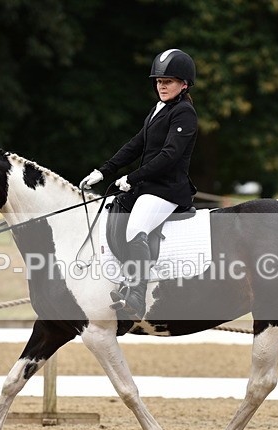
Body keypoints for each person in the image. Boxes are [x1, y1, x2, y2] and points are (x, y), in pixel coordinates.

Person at [80, 48, 198, 320]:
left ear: (184, 84)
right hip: (148, 186)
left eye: (168, 82)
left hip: (168, 189)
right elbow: (135, 145)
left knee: (136, 227)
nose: (162, 86)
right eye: (159, 81)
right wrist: (104, 171)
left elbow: (169, 156)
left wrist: (132, 177)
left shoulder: (184, 113)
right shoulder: (158, 109)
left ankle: (136, 295)